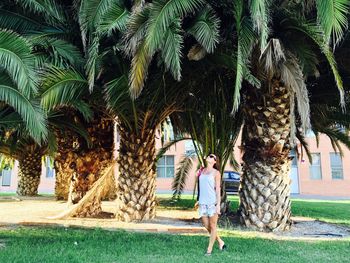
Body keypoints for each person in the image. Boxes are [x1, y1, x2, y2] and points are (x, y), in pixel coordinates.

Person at [197, 153, 227, 256]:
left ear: (214, 161)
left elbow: (218, 190)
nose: (209, 157)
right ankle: (220, 241)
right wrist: (198, 199)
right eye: (208, 155)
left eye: (211, 156)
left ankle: (209, 250)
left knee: (213, 226)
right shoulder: (201, 171)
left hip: (212, 203)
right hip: (202, 202)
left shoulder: (216, 173)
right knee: (206, 225)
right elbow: (200, 187)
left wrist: (218, 204)